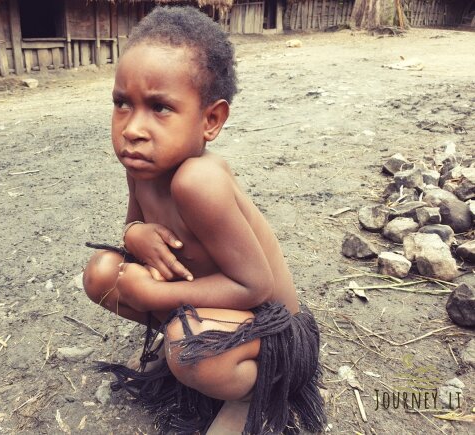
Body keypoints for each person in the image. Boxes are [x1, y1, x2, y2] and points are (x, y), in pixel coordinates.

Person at [83, 6, 326, 434]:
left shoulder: (199, 181)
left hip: (276, 334)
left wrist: (155, 296)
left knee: (190, 346)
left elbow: (256, 287)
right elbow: (133, 230)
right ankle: (191, 344)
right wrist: (135, 233)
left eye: (160, 108)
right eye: (123, 104)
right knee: (103, 273)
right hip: (211, 307)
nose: (132, 128)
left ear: (210, 120)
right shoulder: (140, 166)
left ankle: (252, 395)